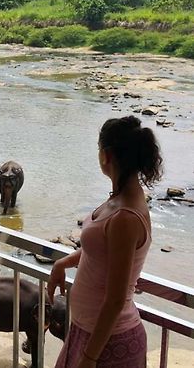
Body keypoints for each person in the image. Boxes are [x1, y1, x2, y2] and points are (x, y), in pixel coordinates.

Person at [48, 116, 163, 368]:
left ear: (106, 155)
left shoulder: (125, 217)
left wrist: (89, 359)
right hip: (88, 331)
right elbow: (102, 251)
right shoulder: (121, 197)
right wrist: (63, 263)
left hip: (109, 343)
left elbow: (115, 299)